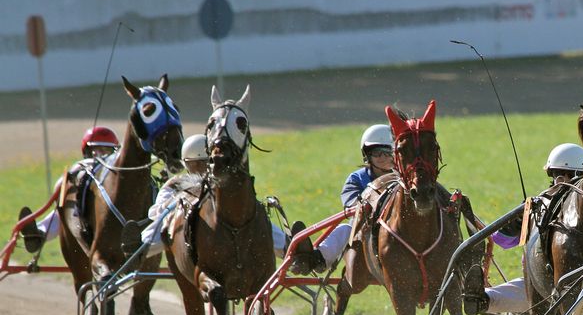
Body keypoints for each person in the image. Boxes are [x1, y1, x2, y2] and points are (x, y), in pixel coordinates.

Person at [462, 142, 583, 315]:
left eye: (564, 175)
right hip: (539, 286)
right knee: (509, 294)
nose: (559, 180)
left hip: (582, 287)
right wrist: (520, 219)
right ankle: (478, 299)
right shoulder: (539, 206)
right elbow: (502, 240)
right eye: (556, 175)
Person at [122, 134, 287, 259]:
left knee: (255, 219)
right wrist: (178, 202)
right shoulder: (175, 184)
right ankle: (139, 248)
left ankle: (291, 249)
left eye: (205, 163)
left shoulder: (222, 185)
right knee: (165, 223)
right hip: (184, 228)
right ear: (187, 164)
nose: (201, 169)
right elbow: (157, 213)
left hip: (221, 230)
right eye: (195, 164)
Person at [289, 124, 396, 275]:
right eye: (377, 153)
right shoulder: (357, 178)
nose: (383, 158)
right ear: (367, 155)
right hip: (363, 230)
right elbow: (350, 202)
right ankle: (316, 259)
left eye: (388, 152)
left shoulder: (403, 179)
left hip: (395, 230)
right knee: (344, 230)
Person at [19, 126, 119, 254]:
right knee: (66, 212)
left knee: (68, 213)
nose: (101, 156)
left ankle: (40, 233)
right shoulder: (83, 170)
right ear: (87, 151)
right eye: (96, 151)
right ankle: (39, 234)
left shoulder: (114, 178)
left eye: (106, 151)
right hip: (79, 214)